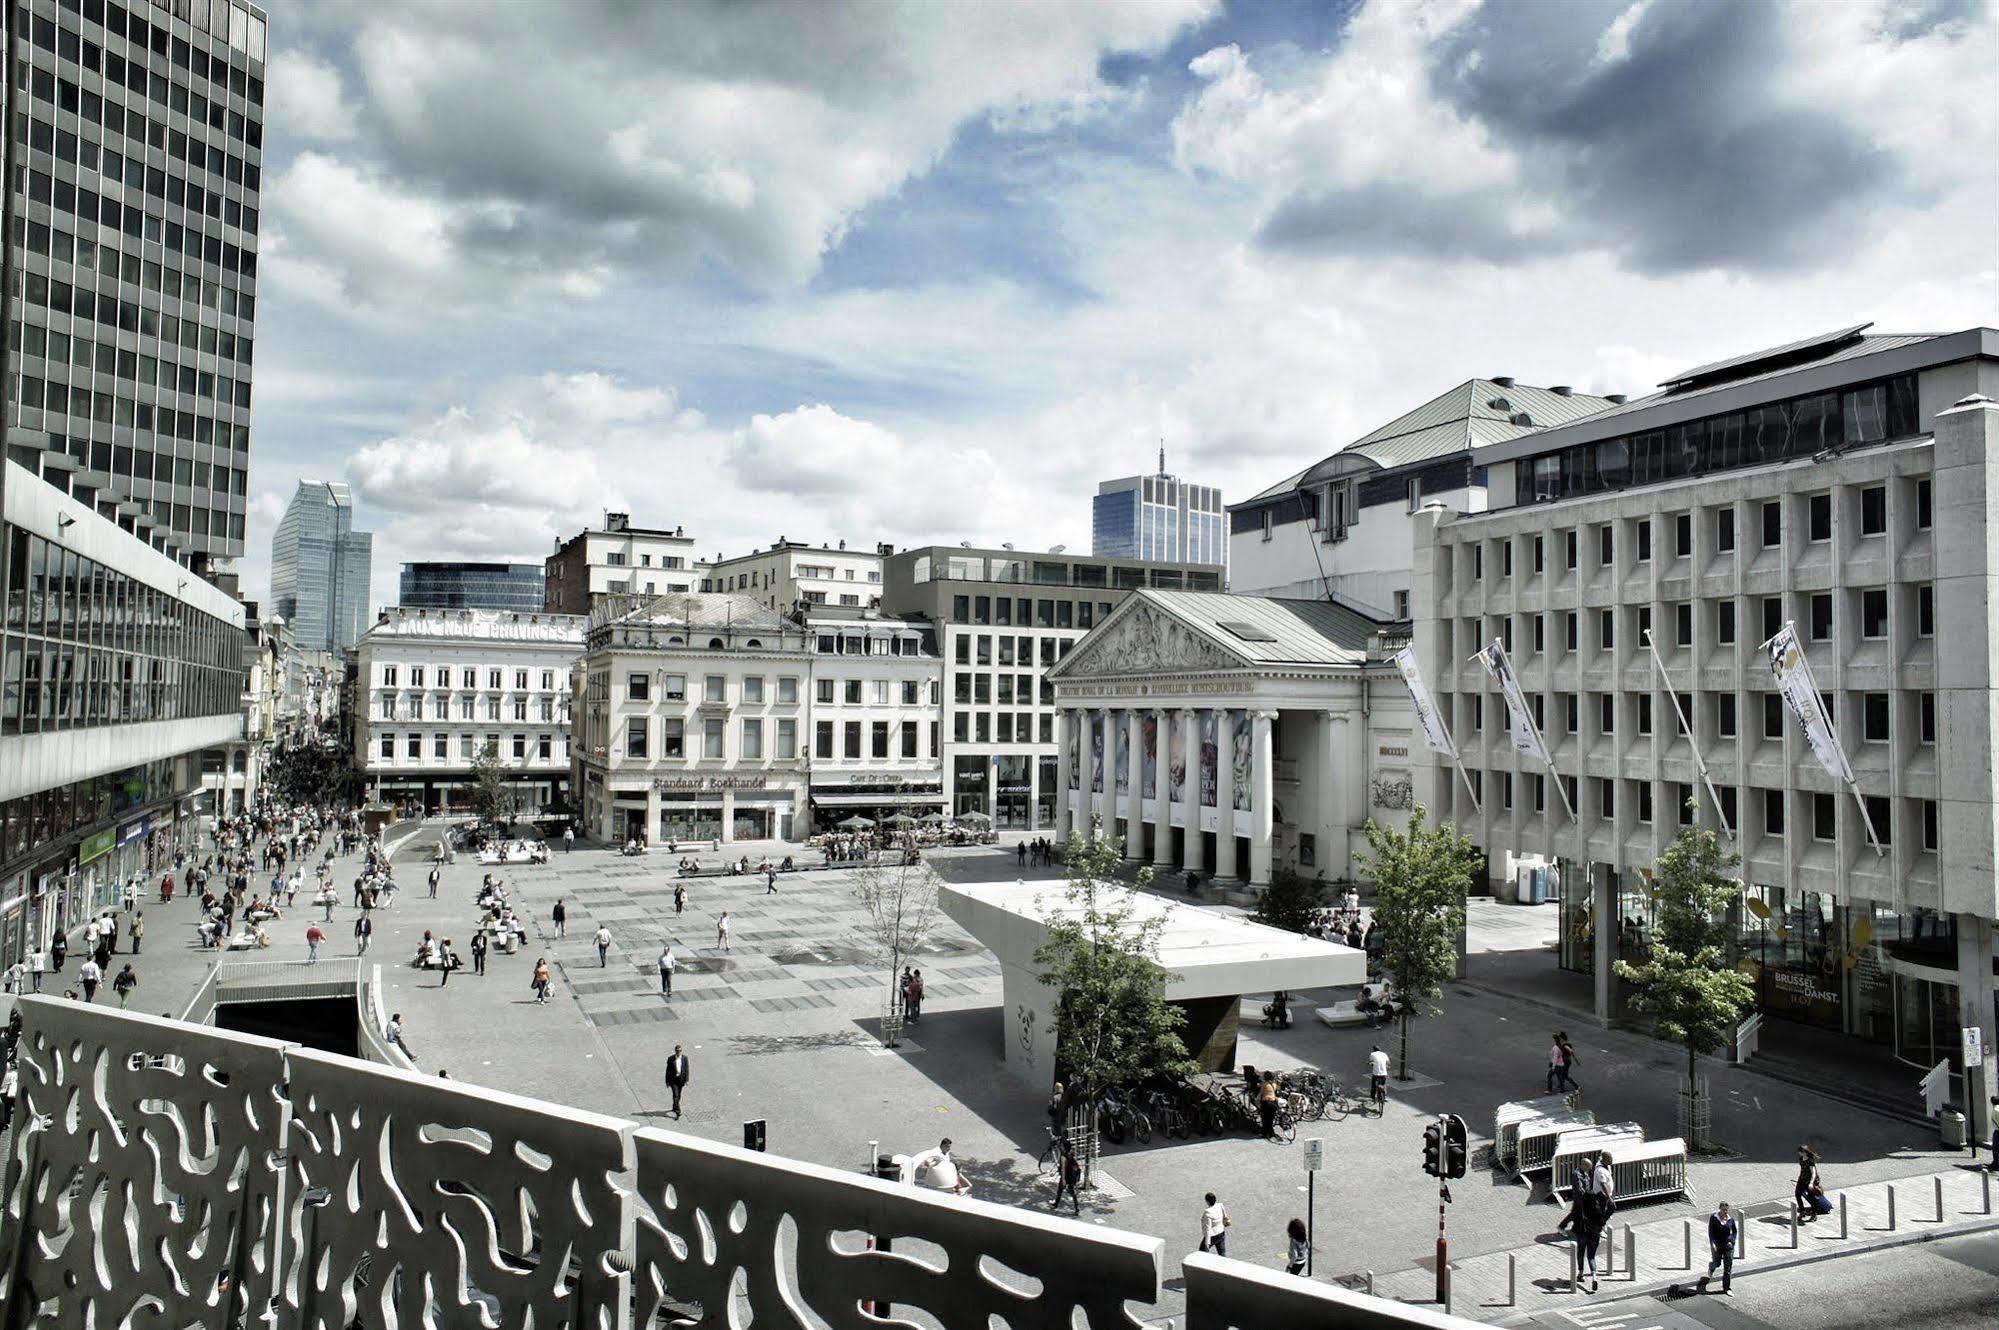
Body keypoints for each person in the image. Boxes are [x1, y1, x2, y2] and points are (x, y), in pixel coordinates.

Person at [1574, 1152, 1613, 1292]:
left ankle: (1580, 1273)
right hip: (1595, 1233)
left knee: (1580, 1252)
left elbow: (1578, 1212)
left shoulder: (1585, 1206)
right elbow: (1611, 1209)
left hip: (1583, 1231)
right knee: (1591, 1256)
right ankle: (1595, 1277)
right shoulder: (1600, 1213)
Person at [1701, 1200, 1737, 1295]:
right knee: (1717, 1263)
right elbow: (1711, 1232)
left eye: (1726, 1210)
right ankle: (1711, 1267)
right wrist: (1712, 1243)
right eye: (1723, 1210)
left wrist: (1732, 1241)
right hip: (1717, 1245)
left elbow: (1734, 1232)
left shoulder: (1731, 1219)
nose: (1725, 1212)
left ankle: (1726, 1288)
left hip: (1728, 1246)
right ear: (1720, 1209)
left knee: (1728, 1268)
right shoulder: (1714, 1218)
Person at [1052, 1138, 1083, 1214]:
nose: (1061, 1147)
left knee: (1064, 1189)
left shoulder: (1063, 1157)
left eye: (1062, 1146)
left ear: (1064, 1147)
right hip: (1072, 1176)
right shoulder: (1070, 1153)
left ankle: (1056, 1204)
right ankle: (1076, 1208)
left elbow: (1063, 1169)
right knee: (1066, 1190)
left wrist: (1063, 1179)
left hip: (1066, 1176)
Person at [1795, 1145, 1823, 1222]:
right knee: (1797, 1194)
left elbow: (1813, 1173)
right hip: (1802, 1179)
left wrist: (1811, 1183)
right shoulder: (1801, 1159)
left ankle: (1814, 1214)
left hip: (1809, 1180)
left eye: (1800, 1152)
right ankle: (1802, 1211)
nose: (1798, 1153)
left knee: (1811, 1197)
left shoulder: (1810, 1160)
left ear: (1804, 1152)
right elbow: (1803, 1169)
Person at [1199, 1192, 1229, 1257]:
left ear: (1207, 1201)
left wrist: (1207, 1244)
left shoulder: (1208, 1213)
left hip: (1212, 1236)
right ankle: (1225, 1265)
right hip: (1221, 1233)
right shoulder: (1220, 1205)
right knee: (1222, 1254)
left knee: (1201, 1254)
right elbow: (1225, 1216)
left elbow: (1207, 1229)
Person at [664, 1044, 690, 1118]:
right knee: (676, 1095)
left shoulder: (685, 1058)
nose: (679, 1052)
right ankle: (678, 1111)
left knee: (678, 1095)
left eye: (680, 1051)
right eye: (677, 1051)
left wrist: (687, 1079)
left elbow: (686, 1069)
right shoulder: (670, 1059)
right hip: (673, 1080)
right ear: (675, 1051)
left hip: (681, 1080)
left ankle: (674, 1106)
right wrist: (667, 1081)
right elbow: (667, 1071)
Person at [1257, 1070, 1280, 1139]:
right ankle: (1271, 1133)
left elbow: (1261, 1093)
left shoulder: (1264, 1084)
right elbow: (1276, 1090)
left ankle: (1264, 1133)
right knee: (1270, 1119)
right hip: (1273, 1103)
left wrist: (1256, 1099)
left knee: (1265, 1118)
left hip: (1266, 1103)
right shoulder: (1274, 1084)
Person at [1367, 1044, 1390, 1112]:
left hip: (1376, 1074)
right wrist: (1386, 1066)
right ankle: (1384, 1096)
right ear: (1380, 1049)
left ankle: (1373, 1097)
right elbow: (1388, 1062)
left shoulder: (1372, 1054)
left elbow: (1371, 1062)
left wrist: (1370, 1064)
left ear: (1374, 1050)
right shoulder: (1384, 1054)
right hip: (1383, 1074)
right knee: (1383, 1084)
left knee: (1373, 1085)